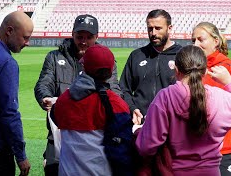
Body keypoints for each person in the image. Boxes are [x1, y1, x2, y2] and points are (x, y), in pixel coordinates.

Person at [135, 45, 231, 176]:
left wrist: (138, 131)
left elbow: (147, 147)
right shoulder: (220, 97)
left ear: (176, 70)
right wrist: (230, 82)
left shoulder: (165, 97)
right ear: (204, 72)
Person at [34, 14, 122, 175]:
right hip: (59, 133)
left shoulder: (105, 60)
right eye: (79, 36)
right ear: (72, 34)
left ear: (96, 37)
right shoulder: (55, 57)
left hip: (94, 135)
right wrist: (44, 96)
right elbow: (43, 82)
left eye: (89, 37)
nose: (83, 41)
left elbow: (114, 89)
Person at [53, 45, 131, 176]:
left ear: (83, 66)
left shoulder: (63, 100)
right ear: (111, 71)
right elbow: (122, 150)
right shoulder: (116, 104)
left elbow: (56, 117)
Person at [192, 22, 231, 176]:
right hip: (195, 150)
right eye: (193, 40)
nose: (195, 44)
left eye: (201, 39)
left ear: (216, 41)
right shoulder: (192, 70)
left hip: (224, 151)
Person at [119, 9, 182, 124]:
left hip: (172, 124)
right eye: (150, 28)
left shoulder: (182, 55)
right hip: (140, 124)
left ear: (169, 28)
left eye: (158, 28)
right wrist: (132, 108)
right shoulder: (136, 55)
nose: (153, 33)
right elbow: (124, 89)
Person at [0, 11, 32, 176]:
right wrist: (21, 155)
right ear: (9, 31)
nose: (27, 43)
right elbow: (9, 113)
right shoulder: (6, 62)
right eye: (25, 37)